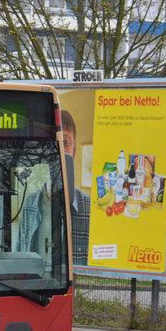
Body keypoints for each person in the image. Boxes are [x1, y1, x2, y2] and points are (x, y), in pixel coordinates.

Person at [59, 109, 91, 265]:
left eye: (65, 142)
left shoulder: (90, 209)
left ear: (74, 152)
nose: (59, 149)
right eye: (53, 140)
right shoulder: (30, 206)